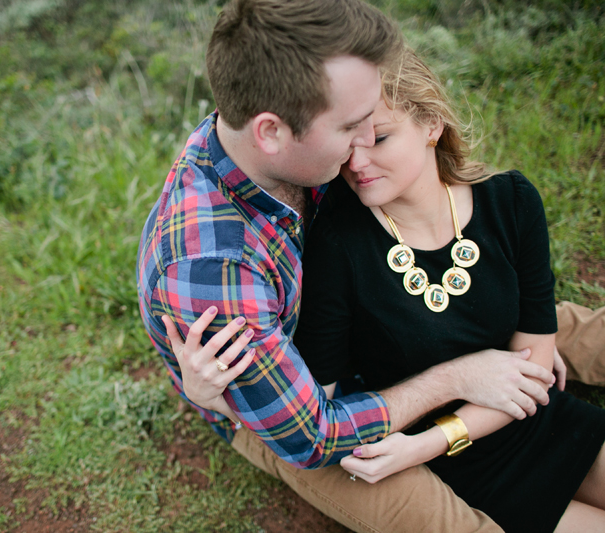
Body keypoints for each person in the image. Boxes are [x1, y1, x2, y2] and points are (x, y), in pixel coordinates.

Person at [137, 1, 572, 531]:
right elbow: (312, 435)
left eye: (376, 125)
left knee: (522, 307)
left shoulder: (288, 148)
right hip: (290, 395)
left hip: (365, 315)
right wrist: (458, 377)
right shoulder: (217, 272)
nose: (363, 144)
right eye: (351, 126)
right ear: (271, 132)